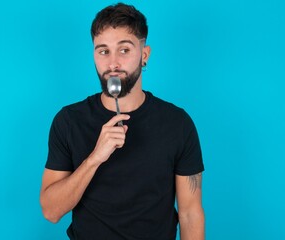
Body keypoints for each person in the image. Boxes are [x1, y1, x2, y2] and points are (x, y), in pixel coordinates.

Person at [40, 3, 205, 240]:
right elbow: (51, 211)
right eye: (103, 51)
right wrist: (95, 158)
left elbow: (190, 213)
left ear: (144, 55)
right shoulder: (68, 121)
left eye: (124, 50)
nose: (113, 64)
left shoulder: (178, 124)